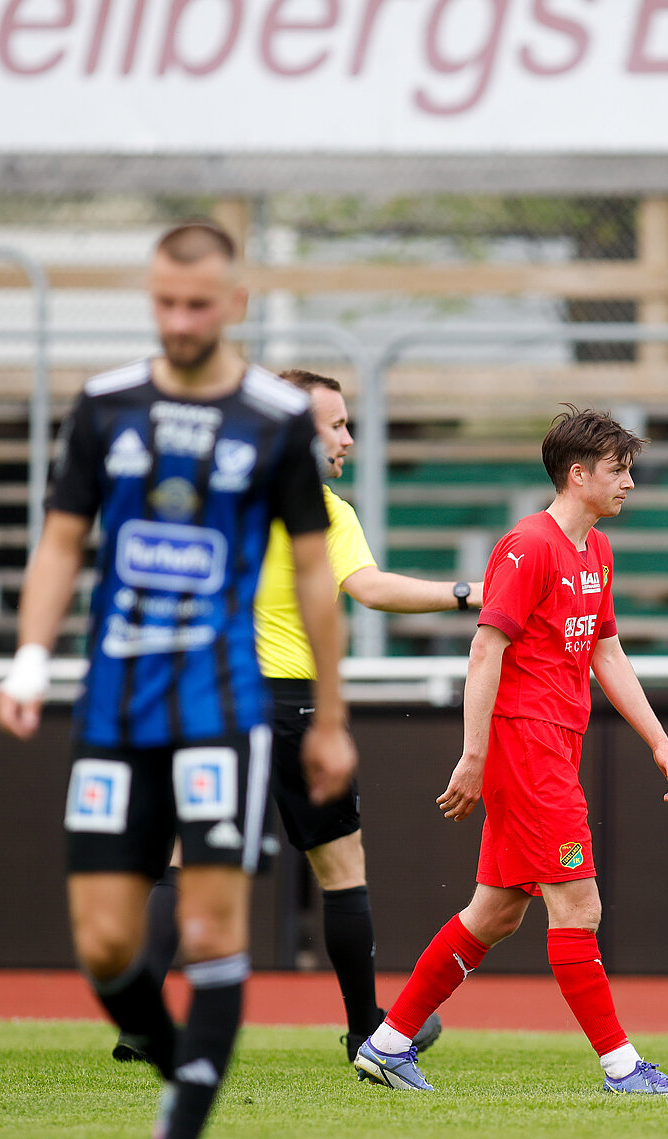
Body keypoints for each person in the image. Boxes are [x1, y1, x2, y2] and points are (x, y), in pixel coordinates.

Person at [0, 220, 358, 1139]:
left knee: (208, 926)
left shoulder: (278, 417)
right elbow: (63, 541)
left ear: (235, 302)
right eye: (164, 302)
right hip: (114, 701)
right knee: (107, 948)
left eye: (199, 303)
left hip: (225, 702)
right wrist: (30, 661)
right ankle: (188, 1065)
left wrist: (329, 716)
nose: (181, 319)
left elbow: (319, 575)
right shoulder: (107, 405)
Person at [115, 368, 482, 1066]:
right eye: (335, 423)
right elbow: (368, 589)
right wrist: (467, 593)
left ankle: (140, 1020)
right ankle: (364, 1029)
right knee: (340, 864)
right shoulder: (322, 508)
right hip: (290, 702)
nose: (346, 437)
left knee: (185, 856)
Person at [353, 406, 668, 1096]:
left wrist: (657, 739)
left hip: (551, 745)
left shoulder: (594, 550)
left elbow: (607, 650)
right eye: (619, 470)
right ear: (579, 476)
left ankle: (389, 1044)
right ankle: (623, 1068)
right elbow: (487, 647)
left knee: (497, 911)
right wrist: (474, 754)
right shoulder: (528, 545)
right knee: (579, 909)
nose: (629, 482)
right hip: (527, 747)